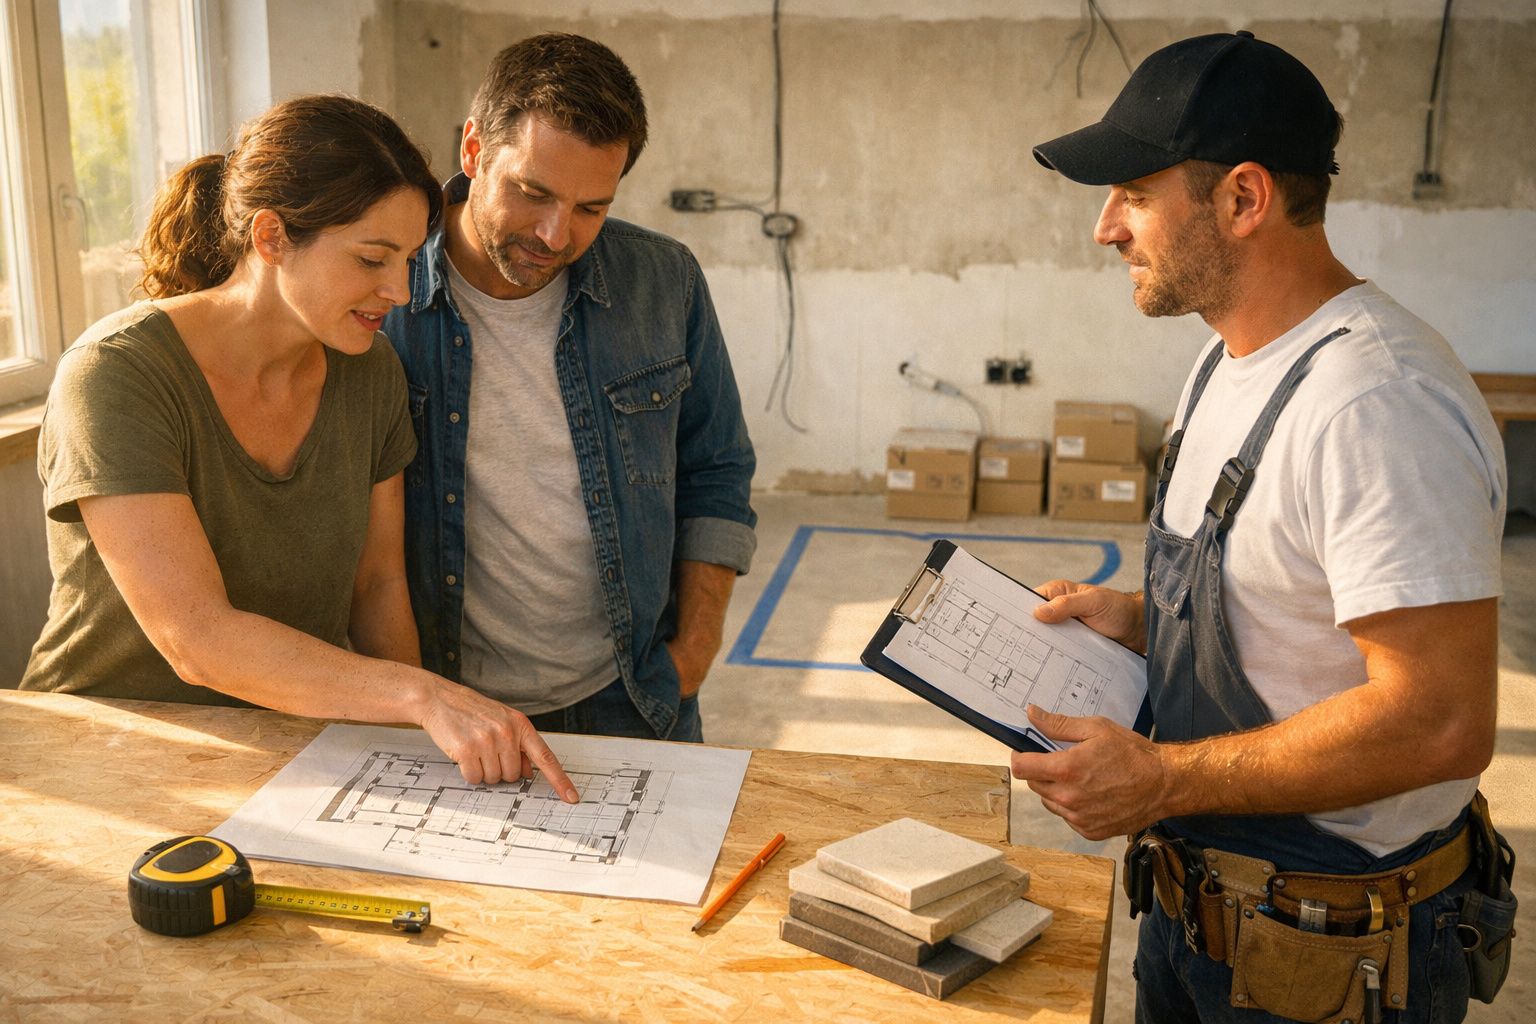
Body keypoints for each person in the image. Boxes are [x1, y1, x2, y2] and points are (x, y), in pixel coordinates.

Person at [1011, 32, 1508, 1023]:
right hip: (1196, 915)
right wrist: (1141, 618)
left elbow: (1443, 718)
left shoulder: (1375, 404)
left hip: (1328, 962)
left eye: (1135, 194)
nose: (1107, 228)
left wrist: (1156, 777)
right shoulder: (1229, 361)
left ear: (1244, 199)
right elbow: (1290, 615)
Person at [20, 95, 577, 800]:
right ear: (272, 237)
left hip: (283, 750)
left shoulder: (370, 371)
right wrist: (420, 696)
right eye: (373, 258)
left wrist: (424, 749)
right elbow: (196, 638)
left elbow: (376, 590)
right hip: (100, 754)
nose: (400, 291)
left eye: (408, 260)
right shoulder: (116, 373)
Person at [383, 33, 756, 743]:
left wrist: (694, 654)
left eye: (592, 208)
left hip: (636, 696)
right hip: (449, 707)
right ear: (472, 151)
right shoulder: (382, 295)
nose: (556, 235)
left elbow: (718, 469)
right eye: (533, 193)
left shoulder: (663, 283)